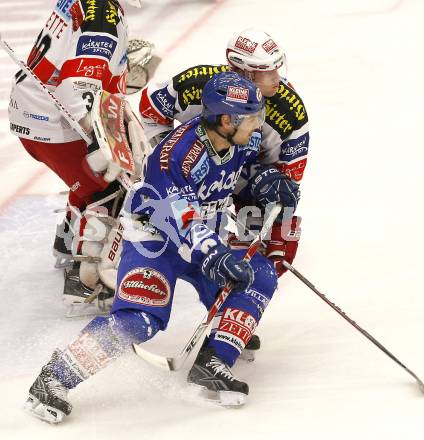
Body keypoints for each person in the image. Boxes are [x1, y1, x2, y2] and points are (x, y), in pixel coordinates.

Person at [24, 71, 299, 423]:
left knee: (257, 274)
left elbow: (235, 172)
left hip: (205, 239)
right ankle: (54, 378)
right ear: (226, 119)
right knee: (141, 320)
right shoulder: (175, 156)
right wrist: (213, 253)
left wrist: (264, 180)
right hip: (155, 242)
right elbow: (182, 219)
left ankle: (214, 358)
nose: (257, 125)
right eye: (252, 117)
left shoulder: (241, 139)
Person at [8, 0, 158, 312]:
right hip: (53, 124)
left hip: (33, 112)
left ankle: (66, 240)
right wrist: (98, 139)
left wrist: (116, 70)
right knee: (111, 188)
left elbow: (72, 63)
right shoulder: (103, 14)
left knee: (88, 182)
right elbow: (74, 88)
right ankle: (84, 283)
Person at [139, 28, 308, 278]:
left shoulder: (289, 110)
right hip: (189, 163)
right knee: (144, 191)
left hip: (243, 166)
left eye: (276, 68)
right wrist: (168, 157)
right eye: (266, 71)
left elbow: (289, 177)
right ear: (242, 71)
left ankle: (243, 256)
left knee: (273, 210)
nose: (276, 78)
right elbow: (150, 110)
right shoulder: (197, 82)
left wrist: (267, 183)